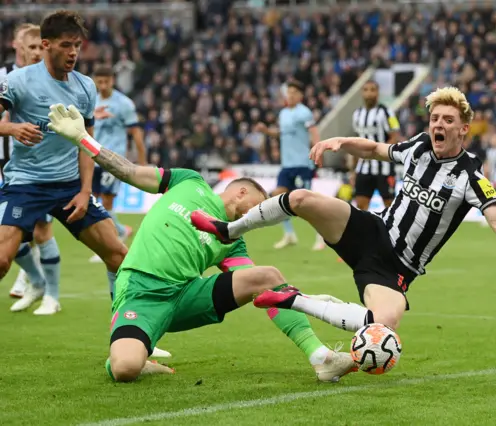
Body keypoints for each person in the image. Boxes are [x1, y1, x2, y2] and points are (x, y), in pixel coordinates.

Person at [192, 87, 496, 341]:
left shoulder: (471, 177)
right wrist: (339, 141)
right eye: (434, 119)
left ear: (463, 129)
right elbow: (373, 148)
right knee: (299, 198)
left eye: (448, 120)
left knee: (383, 325)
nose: (438, 125)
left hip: (397, 267)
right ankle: (229, 229)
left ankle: (294, 300)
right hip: (372, 230)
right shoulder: (418, 147)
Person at [46, 103, 356, 383]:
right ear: (241, 193)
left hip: (184, 297)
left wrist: (306, 300)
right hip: (141, 293)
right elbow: (127, 171)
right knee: (125, 370)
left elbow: (265, 290)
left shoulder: (233, 239)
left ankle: (322, 358)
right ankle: (134, 353)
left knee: (267, 275)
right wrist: (83, 140)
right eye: (259, 207)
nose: (258, 216)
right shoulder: (188, 180)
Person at [0, 11, 127, 315]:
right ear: (46, 44)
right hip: (25, 184)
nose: (73, 53)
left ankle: (129, 333)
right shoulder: (18, 81)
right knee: (2, 259)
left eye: (77, 46)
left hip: (69, 186)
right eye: (66, 45)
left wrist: (85, 191)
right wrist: (11, 128)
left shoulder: (85, 87)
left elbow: (87, 144)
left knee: (119, 256)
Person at [1, 24, 63, 310]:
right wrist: (12, 128)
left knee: (40, 230)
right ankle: (35, 280)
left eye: (42, 46)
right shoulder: (6, 78)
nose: (38, 52)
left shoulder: (55, 80)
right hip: (9, 166)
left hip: (40, 169)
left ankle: (50, 292)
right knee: (13, 232)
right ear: (19, 47)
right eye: (33, 47)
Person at [88, 65, 147, 263]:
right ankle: (121, 231)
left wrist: (142, 161)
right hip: (92, 156)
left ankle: (110, 243)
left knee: (106, 201)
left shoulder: (124, 104)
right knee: (94, 202)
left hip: (112, 159)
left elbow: (136, 133)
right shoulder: (91, 100)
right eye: (99, 81)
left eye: (106, 81)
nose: (102, 85)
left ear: (112, 80)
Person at [255, 80, 323, 250]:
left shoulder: (304, 112)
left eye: (294, 92)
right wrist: (266, 131)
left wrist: (318, 152)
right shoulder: (283, 113)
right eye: (289, 92)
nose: (290, 95)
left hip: (302, 164)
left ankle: (321, 236)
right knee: (278, 199)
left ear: (300, 96)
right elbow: (281, 133)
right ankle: (289, 234)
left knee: (307, 204)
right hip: (287, 165)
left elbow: (314, 132)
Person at [351, 80, 400, 211]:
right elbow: (356, 143)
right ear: (362, 93)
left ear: (377, 93)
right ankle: (365, 232)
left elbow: (395, 136)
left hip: (384, 167)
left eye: (372, 90)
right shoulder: (357, 114)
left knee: (390, 206)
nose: (369, 93)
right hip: (363, 168)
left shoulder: (387, 112)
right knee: (360, 206)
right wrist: (353, 170)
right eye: (366, 90)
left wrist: (380, 152)